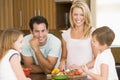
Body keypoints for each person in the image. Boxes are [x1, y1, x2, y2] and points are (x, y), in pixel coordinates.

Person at [59, 1, 98, 71]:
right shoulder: (65, 35)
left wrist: (81, 68)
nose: (78, 18)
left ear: (86, 15)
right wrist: (62, 62)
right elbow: (64, 57)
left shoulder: (92, 32)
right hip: (71, 75)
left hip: (88, 75)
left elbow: (97, 59)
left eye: (82, 15)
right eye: (75, 14)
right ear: (71, 15)